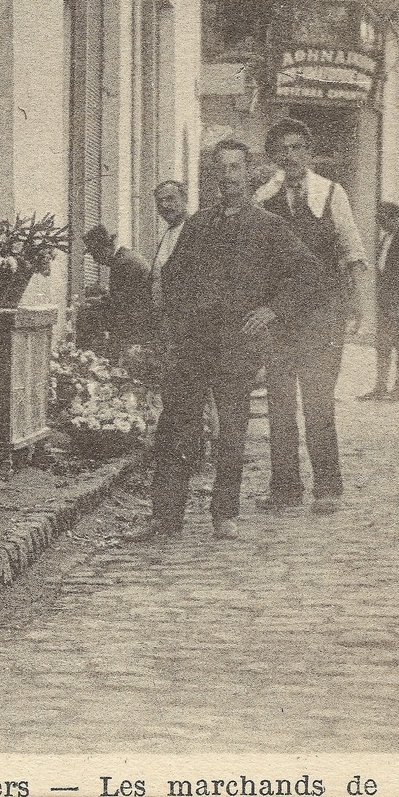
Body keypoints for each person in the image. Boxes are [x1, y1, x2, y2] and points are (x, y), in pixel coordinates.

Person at [128, 139, 320, 543]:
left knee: (232, 430)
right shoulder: (198, 225)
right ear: (214, 175)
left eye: (236, 167)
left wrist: (273, 310)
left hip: (237, 344)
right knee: (176, 426)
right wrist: (177, 325)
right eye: (222, 168)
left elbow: (306, 272)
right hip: (195, 343)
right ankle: (166, 519)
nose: (228, 176)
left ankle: (225, 513)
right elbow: (175, 276)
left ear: (249, 173)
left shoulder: (269, 226)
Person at [255, 118, 369, 515]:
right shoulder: (263, 198)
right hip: (280, 318)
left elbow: (351, 246)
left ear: (309, 152)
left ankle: (328, 488)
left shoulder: (331, 193)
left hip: (322, 314)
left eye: (298, 147)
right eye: (283, 149)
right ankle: (285, 487)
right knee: (281, 403)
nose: (291, 156)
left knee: (319, 402)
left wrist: (356, 304)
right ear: (274, 156)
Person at [84, 179, 191, 339]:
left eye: (170, 199)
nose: (165, 206)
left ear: (184, 199)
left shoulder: (196, 230)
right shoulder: (168, 234)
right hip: (165, 325)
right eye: (160, 202)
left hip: (184, 323)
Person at [359, 201, 399, 402]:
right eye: (379, 220)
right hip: (385, 304)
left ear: (395, 219)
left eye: (384, 219)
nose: (381, 224)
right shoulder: (384, 241)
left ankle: (398, 390)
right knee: (383, 346)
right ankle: (380, 387)